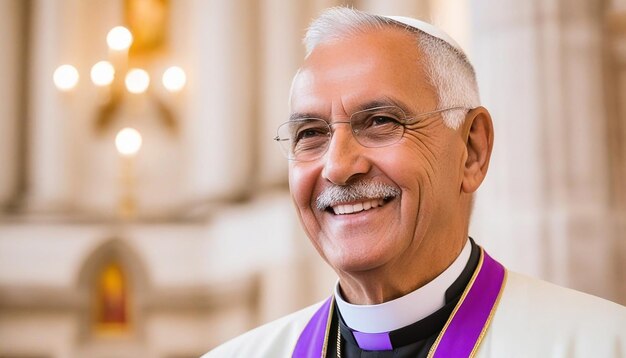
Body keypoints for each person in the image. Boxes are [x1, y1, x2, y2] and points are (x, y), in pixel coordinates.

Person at [204, 7, 626, 357]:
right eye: (311, 133)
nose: (337, 167)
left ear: (471, 151)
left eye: (381, 122)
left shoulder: (600, 343)